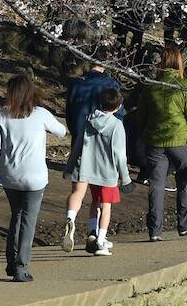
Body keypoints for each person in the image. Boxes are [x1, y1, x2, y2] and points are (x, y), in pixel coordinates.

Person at [0, 74, 67, 281]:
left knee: (16, 216)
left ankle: (10, 262)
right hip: (34, 178)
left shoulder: (2, 115)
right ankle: (21, 267)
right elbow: (62, 131)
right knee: (28, 220)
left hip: (10, 176)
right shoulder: (41, 114)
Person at [139, 46, 187, 241]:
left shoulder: (151, 87)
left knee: (156, 185)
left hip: (155, 142)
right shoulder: (185, 87)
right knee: (184, 181)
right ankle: (185, 225)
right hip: (181, 142)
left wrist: (144, 136)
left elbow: (142, 116)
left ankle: (155, 231)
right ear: (179, 63)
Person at [62, 87, 131, 256]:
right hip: (107, 173)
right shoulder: (116, 125)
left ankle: (78, 223)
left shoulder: (89, 119)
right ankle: (100, 240)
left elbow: (78, 144)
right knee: (105, 206)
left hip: (87, 168)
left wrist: (69, 167)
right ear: (119, 106)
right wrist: (126, 178)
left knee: (89, 199)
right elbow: (120, 155)